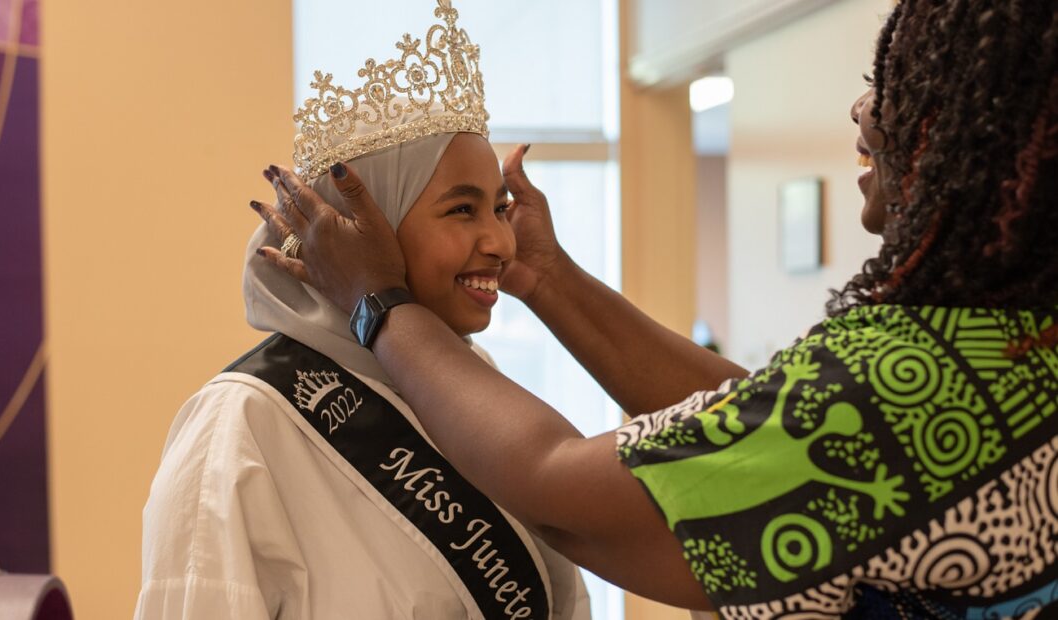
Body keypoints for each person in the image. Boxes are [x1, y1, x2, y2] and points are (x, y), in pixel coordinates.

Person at [254, 0, 1058, 617]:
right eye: (464, 210)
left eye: (892, 85)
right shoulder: (1014, 346)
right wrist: (547, 276)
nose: (859, 111)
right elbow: (759, 416)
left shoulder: (910, 385)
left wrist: (381, 305)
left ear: (961, 128)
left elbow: (560, 493)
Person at [135, 2, 590, 618]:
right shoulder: (241, 423)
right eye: (463, 210)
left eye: (500, 207)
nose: (502, 242)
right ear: (357, 229)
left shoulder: (474, 381)